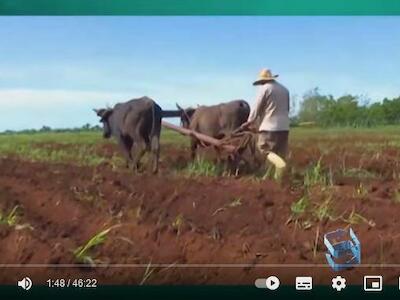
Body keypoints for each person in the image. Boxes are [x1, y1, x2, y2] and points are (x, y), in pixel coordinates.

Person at [240, 68, 290, 178]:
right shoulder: (285, 90)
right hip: (284, 127)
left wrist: (249, 122)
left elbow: (256, 108)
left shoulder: (265, 89)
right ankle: (276, 180)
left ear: (263, 80)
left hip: (269, 127)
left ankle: (282, 166)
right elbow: (287, 108)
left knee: (264, 150)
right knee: (278, 154)